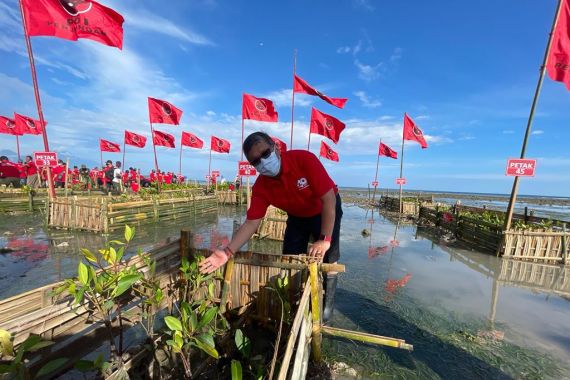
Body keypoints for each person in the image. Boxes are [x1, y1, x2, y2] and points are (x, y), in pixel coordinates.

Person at [199, 132, 343, 322]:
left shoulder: (303, 159)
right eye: (256, 161)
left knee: (329, 258)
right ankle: (294, 301)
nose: (263, 162)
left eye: (265, 153)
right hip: (297, 217)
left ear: (276, 147)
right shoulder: (261, 187)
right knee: (290, 259)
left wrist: (324, 240)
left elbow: (329, 199)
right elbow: (251, 222)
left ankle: (327, 307)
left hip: (325, 209)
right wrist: (227, 252)